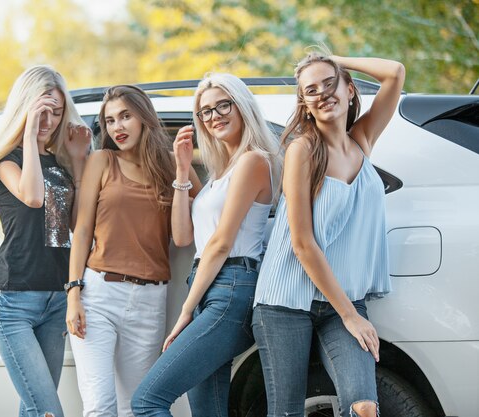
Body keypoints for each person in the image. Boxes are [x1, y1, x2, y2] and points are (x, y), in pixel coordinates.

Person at [252, 53, 405, 417]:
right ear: (304, 104)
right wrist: (351, 315)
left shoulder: (362, 141)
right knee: (286, 412)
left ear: (350, 89)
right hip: (286, 301)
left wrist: (329, 58)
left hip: (344, 301)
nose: (322, 93)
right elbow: (302, 244)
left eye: (330, 83)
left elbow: (395, 73)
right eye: (311, 90)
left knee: (365, 407)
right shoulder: (302, 150)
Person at [131, 73, 282, 417]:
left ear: (242, 106)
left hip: (230, 289)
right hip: (210, 288)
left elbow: (220, 243)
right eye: (205, 111)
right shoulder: (220, 174)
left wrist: (186, 312)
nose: (215, 116)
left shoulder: (253, 161)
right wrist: (183, 172)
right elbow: (184, 237)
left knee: (146, 401)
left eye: (223, 105)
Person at [0, 65, 92, 417]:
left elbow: (74, 223)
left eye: (56, 113)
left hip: (57, 299)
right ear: (24, 108)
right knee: (47, 411)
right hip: (13, 303)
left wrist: (76, 160)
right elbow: (32, 196)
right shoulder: (5, 160)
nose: (49, 121)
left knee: (34, 409)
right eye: (41, 111)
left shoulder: (57, 162)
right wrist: (29, 135)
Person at [65, 85, 190, 417]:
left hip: (150, 302)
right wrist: (73, 294)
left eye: (125, 116)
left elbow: (190, 230)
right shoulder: (103, 161)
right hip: (99, 295)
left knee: (135, 408)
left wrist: (182, 171)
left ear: (144, 118)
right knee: (100, 406)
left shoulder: (171, 167)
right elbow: (81, 231)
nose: (117, 127)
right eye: (109, 121)